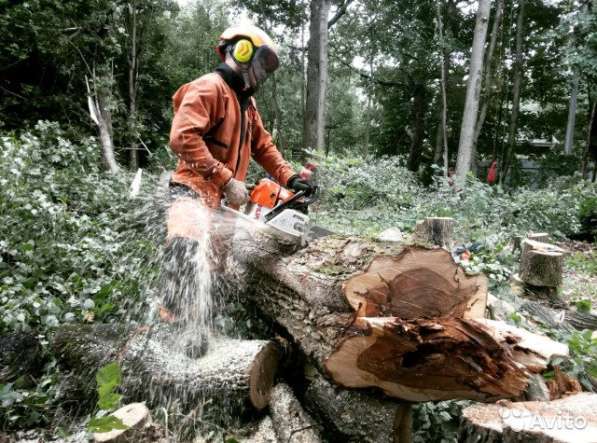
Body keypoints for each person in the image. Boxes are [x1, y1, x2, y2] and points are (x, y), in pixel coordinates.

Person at [161, 25, 313, 325]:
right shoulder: (209, 87)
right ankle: (169, 326)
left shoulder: (247, 105)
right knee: (185, 250)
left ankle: (202, 328)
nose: (262, 72)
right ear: (242, 51)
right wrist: (226, 180)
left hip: (223, 203)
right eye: (261, 62)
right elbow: (182, 137)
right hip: (192, 191)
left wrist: (290, 178)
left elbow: (264, 147)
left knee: (215, 268)